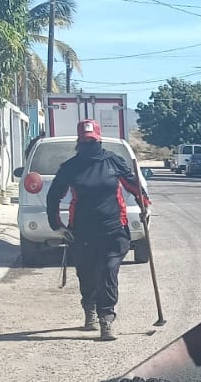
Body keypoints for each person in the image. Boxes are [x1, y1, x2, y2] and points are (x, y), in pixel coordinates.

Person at [46, 119, 150, 342]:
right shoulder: (70, 168)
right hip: (82, 232)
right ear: (79, 142)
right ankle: (89, 306)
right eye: (84, 141)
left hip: (114, 229)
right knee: (86, 273)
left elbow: (134, 186)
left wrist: (145, 206)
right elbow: (54, 196)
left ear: (99, 140)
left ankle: (106, 318)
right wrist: (58, 226)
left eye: (92, 140)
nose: (88, 144)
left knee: (107, 271)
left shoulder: (113, 162)